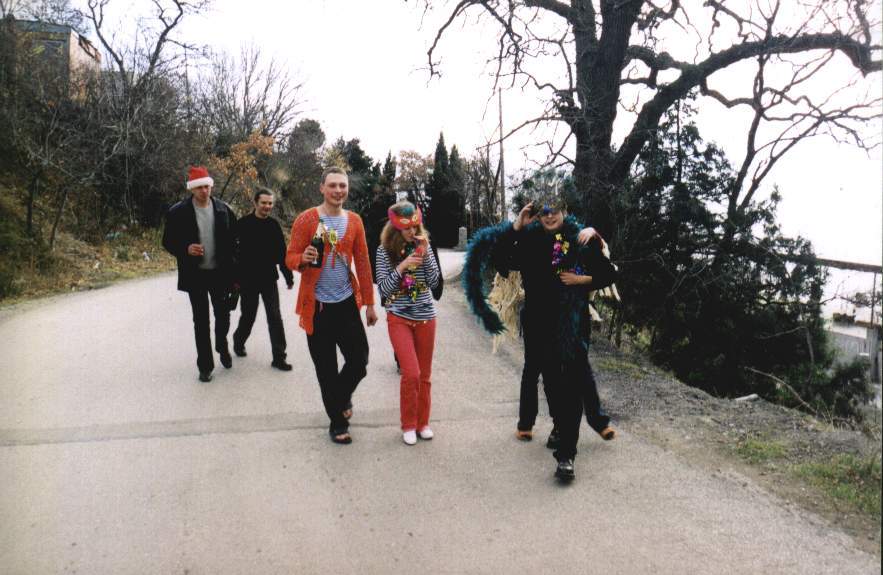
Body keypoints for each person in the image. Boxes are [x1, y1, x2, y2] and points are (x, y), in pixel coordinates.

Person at [464, 196, 616, 482]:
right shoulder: (528, 240)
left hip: (572, 324)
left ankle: (566, 456)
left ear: (565, 211)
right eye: (544, 212)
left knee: (572, 387)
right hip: (539, 323)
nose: (549, 216)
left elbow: (608, 273)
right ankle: (559, 428)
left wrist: (582, 280)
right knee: (553, 385)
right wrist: (516, 227)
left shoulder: (579, 238)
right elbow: (501, 261)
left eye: (554, 211)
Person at [285, 167, 377, 445]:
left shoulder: (355, 221)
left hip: (346, 303)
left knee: (359, 361)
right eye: (333, 185)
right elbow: (290, 257)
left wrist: (370, 304)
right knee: (326, 369)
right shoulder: (306, 220)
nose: (338, 191)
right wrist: (302, 258)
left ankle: (340, 396)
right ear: (322, 188)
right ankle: (338, 423)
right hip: (318, 308)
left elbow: (363, 262)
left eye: (342, 186)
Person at [162, 166, 237, 383]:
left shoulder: (224, 210)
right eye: (199, 188)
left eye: (207, 186)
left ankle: (221, 345)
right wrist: (185, 248)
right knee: (201, 321)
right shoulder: (178, 212)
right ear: (192, 189)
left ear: (211, 186)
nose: (204, 191)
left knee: (223, 315)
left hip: (220, 274)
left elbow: (235, 242)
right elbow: (167, 241)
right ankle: (205, 366)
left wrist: (236, 275)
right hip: (195, 275)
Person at [374, 201, 441, 445]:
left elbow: (434, 282)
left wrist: (426, 253)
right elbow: (383, 288)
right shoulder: (384, 251)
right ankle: (409, 424)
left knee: (424, 375)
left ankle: (423, 423)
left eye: (415, 226)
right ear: (395, 228)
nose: (412, 231)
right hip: (399, 316)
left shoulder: (423, 245)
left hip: (425, 316)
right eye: (406, 228)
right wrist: (402, 266)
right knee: (411, 373)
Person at [232, 188, 294, 371]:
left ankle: (279, 357)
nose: (267, 206)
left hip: (268, 279)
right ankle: (238, 340)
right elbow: (232, 255)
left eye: (270, 203)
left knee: (275, 317)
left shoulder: (273, 226)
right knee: (248, 316)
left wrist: (288, 276)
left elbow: (282, 254)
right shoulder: (242, 224)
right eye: (264, 203)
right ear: (255, 203)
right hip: (248, 280)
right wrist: (234, 279)